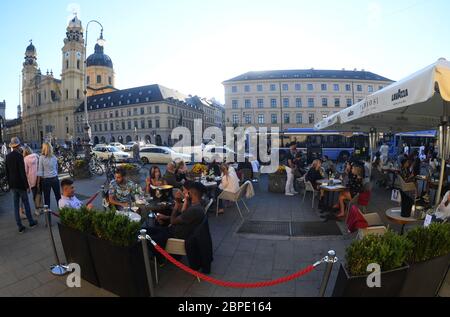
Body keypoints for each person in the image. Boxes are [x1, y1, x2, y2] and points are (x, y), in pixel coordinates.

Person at [146, 181, 206, 260]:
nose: (183, 192)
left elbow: (173, 221)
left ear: (190, 192)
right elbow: (183, 216)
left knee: (146, 239)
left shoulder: (194, 210)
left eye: (185, 190)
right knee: (146, 230)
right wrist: (186, 201)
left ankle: (160, 259)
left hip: (175, 235)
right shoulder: (198, 205)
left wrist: (177, 205)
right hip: (175, 230)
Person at [5, 137, 38, 233]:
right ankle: (31, 222)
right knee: (26, 203)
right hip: (20, 185)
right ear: (18, 145)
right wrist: (27, 186)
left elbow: (7, 172)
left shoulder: (8, 156)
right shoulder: (19, 156)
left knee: (15, 205)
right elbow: (22, 173)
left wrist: (9, 184)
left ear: (12, 146)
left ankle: (19, 226)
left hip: (13, 185)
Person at [37, 142, 61, 215]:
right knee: (58, 197)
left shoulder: (41, 157)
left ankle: (48, 220)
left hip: (46, 180)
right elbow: (56, 168)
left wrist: (38, 183)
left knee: (47, 200)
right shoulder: (54, 157)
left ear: (44, 148)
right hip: (55, 178)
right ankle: (63, 213)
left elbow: (40, 172)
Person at [23, 146, 40, 216]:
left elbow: (26, 171)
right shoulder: (36, 156)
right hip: (39, 177)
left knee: (34, 194)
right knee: (39, 193)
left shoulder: (25, 159)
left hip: (31, 178)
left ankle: (37, 210)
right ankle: (41, 207)